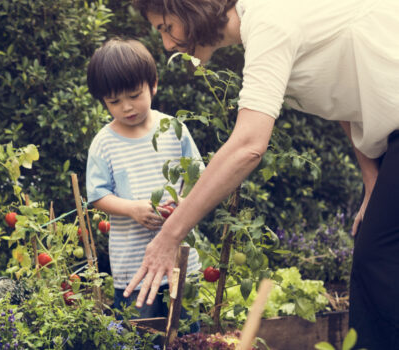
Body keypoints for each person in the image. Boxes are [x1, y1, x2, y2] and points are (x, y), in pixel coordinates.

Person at [126, 0, 399, 348]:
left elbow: (249, 146)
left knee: (378, 261)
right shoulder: (265, 22)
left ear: (191, 8)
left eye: (167, 27)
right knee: (377, 258)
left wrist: (170, 234)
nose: (166, 44)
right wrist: (372, 182)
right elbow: (346, 98)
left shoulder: (269, 21)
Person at [85, 38, 203, 320]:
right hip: (133, 268)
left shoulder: (174, 130)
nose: (127, 107)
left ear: (153, 85)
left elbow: (200, 178)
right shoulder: (104, 144)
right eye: (114, 101)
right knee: (138, 336)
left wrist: (183, 206)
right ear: (104, 101)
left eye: (134, 95)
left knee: (186, 336)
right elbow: (98, 196)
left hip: (181, 263)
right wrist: (132, 208)